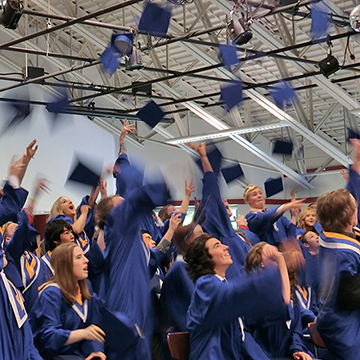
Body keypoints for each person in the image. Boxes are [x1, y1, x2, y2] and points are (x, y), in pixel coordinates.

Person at [185, 233, 291, 360]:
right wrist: (274, 269)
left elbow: (248, 328)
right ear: (204, 258)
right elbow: (239, 292)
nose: (226, 247)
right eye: (217, 246)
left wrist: (280, 262)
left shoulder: (221, 285)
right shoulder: (205, 286)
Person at [30, 242, 106, 360]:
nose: (86, 260)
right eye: (78, 257)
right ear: (65, 265)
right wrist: (82, 333)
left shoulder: (86, 290)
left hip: (79, 355)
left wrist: (96, 351)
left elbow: (94, 326)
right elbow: (47, 338)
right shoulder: (51, 294)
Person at [244, 242, 313, 360]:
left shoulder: (291, 296)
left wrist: (297, 351)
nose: (277, 255)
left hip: (285, 355)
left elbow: (295, 332)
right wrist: (280, 259)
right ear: (261, 263)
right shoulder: (253, 293)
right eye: (271, 254)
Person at [315, 188, 360, 360]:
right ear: (349, 213)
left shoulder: (332, 238)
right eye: (355, 206)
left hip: (337, 321)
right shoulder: (343, 254)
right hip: (346, 328)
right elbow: (350, 296)